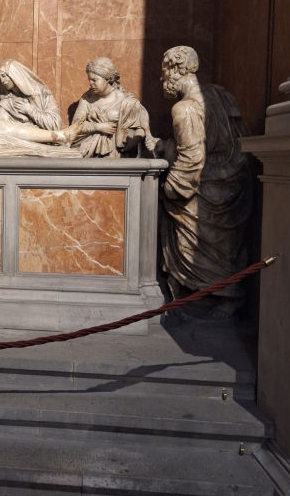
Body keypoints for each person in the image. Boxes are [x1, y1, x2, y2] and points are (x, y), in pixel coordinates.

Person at [153, 46, 252, 314]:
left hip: (201, 191)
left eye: (163, 74)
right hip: (231, 184)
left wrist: (170, 189)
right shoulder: (221, 96)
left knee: (197, 247)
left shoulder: (184, 109)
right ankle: (225, 297)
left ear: (174, 71)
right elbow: (232, 141)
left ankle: (214, 298)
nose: (162, 81)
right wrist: (164, 145)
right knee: (222, 250)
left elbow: (192, 159)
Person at [62, 57, 155, 158]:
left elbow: (141, 128)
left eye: (94, 80)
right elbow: (76, 126)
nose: (91, 83)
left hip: (118, 154)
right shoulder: (86, 99)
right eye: (89, 80)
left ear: (108, 79)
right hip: (88, 150)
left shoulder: (127, 101)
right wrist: (98, 127)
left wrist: (131, 143)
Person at [0, 59, 63, 130]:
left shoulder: (40, 92)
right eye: (0, 78)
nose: (2, 81)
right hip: (15, 138)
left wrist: (29, 110)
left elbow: (55, 124)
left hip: (39, 136)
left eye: (4, 76)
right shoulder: (6, 102)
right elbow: (1, 130)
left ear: (14, 74)